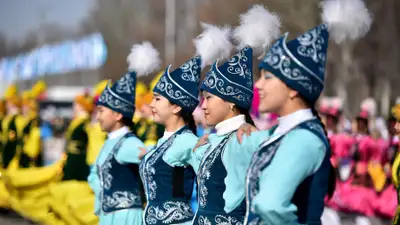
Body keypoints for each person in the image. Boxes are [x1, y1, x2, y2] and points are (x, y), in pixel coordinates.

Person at [235, 0, 372, 224]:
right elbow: (251, 142)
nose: (258, 86)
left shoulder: (304, 139)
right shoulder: (286, 133)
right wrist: (243, 127)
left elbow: (270, 204)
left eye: (267, 77)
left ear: (292, 89)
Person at [139, 22, 234, 225]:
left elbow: (216, 178)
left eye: (157, 99)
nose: (151, 104)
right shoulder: (165, 140)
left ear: (175, 107)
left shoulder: (187, 142)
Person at [191, 6, 280, 225]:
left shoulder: (243, 139)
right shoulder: (214, 139)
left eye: (209, 98)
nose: (202, 105)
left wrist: (256, 136)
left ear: (231, 102)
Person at [88, 41, 161, 225]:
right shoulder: (111, 141)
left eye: (102, 111)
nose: (98, 117)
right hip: (110, 215)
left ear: (118, 114)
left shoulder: (128, 143)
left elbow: (154, 161)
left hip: (125, 217)